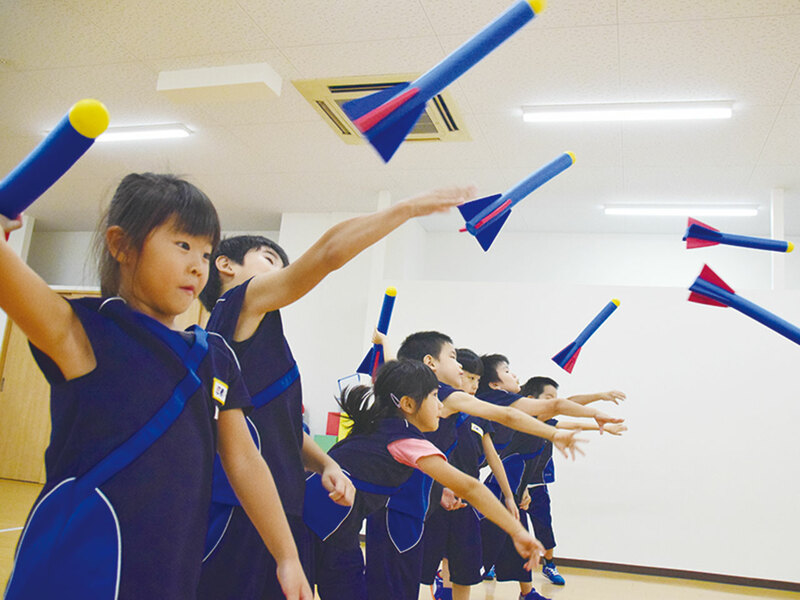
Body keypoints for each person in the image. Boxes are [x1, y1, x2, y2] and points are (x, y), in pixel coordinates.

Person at [0, 173, 311, 600]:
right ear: (121, 245)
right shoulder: (86, 333)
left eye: (206, 252)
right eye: (183, 245)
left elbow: (244, 460)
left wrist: (286, 555)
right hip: (79, 568)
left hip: (170, 571)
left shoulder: (213, 356)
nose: (197, 265)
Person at [197, 186, 475, 599]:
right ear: (226, 265)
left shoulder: (252, 338)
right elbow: (326, 255)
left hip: (272, 507)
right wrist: (406, 210)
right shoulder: (239, 302)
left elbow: (281, 430)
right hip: (240, 510)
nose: (282, 268)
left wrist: (326, 463)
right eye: (271, 259)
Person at [365, 332, 584, 600]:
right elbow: (507, 416)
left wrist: (385, 341)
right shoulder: (420, 422)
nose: (460, 368)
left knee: (404, 581)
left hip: (416, 508)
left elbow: (470, 487)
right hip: (396, 511)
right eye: (453, 357)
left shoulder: (411, 404)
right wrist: (554, 434)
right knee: (388, 584)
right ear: (430, 363)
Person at [306, 359, 545, 600]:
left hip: (329, 529)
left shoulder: (378, 425)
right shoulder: (405, 440)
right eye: (434, 397)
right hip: (318, 528)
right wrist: (517, 531)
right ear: (408, 404)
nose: (441, 407)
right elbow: (471, 488)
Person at [476, 355, 624, 600]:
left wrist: (601, 422)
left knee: (523, 540)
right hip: (501, 488)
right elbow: (560, 405)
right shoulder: (511, 409)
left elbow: (561, 410)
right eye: (507, 371)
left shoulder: (522, 414)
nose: (514, 375)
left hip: (516, 487)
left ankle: (527, 592)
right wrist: (596, 407)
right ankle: (456, 573)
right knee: (478, 547)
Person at [423, 349, 517, 600]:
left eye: (477, 379)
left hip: (467, 499)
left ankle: (449, 591)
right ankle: (439, 587)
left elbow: (494, 457)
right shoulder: (438, 408)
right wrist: (440, 488)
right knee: (423, 562)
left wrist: (508, 496)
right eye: (468, 377)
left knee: (464, 565)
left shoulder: (479, 414)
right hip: (434, 499)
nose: (473, 385)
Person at [516, 376, 626, 586]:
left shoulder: (546, 420)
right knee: (506, 527)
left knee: (544, 528)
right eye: (548, 397)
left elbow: (569, 416)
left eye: (554, 398)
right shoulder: (516, 418)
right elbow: (562, 406)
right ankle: (493, 563)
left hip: (537, 484)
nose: (555, 402)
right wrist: (599, 399)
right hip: (514, 484)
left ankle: (548, 564)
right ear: (531, 399)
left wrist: (602, 419)